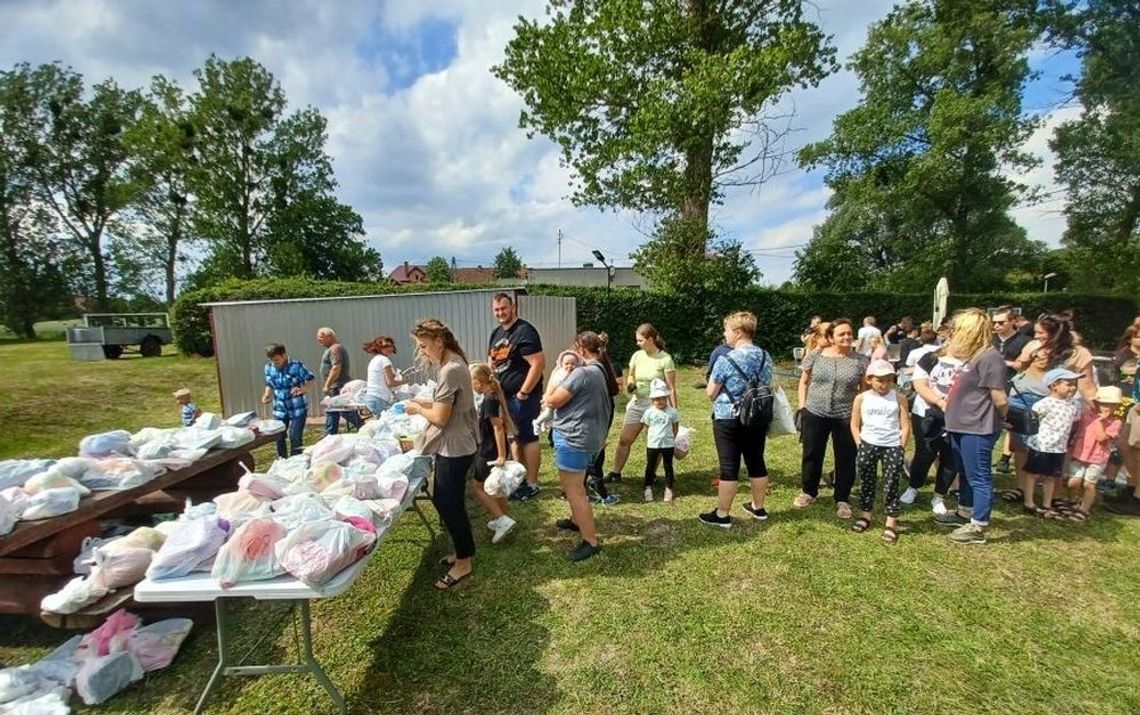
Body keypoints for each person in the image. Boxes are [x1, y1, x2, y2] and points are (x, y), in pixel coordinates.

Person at [405, 319, 479, 590]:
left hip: (456, 447)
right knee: (447, 501)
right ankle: (462, 551)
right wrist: (426, 402)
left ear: (439, 341)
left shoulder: (451, 369)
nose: (423, 351)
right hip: (457, 443)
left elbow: (440, 416)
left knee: (449, 503)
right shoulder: (453, 362)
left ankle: (464, 561)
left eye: (424, 346)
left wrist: (418, 409)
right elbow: (447, 403)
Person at [1001, 314, 1097, 503]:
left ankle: (1054, 494)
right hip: (1023, 397)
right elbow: (1020, 366)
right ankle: (1021, 487)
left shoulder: (1079, 353)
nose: (1036, 337)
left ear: (1057, 334)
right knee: (1020, 446)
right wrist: (1026, 360)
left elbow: (1087, 385)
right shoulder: (1033, 346)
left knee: (1056, 447)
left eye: (1041, 333)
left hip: (1055, 403)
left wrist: (1099, 409)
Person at [936, 308, 1008, 545]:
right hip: (961, 425)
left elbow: (1000, 398)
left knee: (979, 476)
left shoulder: (990, 358)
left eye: (958, 330)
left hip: (977, 428)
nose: (953, 333)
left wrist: (998, 419)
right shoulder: (975, 357)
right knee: (965, 471)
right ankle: (964, 511)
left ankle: (978, 526)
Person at [699, 311, 774, 528]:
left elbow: (711, 393)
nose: (724, 335)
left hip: (728, 417)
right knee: (756, 460)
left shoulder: (725, 359)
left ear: (738, 332)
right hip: (757, 415)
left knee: (729, 466)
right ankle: (758, 508)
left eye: (726, 330)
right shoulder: (765, 356)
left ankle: (722, 515)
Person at [544, 331, 613, 561]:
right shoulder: (600, 370)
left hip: (574, 438)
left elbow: (552, 400)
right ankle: (576, 521)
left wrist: (553, 379)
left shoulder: (582, 373)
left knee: (575, 491)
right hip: (588, 438)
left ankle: (590, 541)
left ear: (581, 349)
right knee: (572, 486)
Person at [795, 319, 869, 519]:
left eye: (849, 333)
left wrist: (861, 412)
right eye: (841, 334)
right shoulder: (815, 356)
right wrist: (803, 407)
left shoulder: (860, 360)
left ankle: (842, 497)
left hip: (846, 415)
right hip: (815, 412)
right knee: (811, 453)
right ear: (830, 337)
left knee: (846, 457)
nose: (846, 337)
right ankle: (809, 491)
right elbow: (803, 382)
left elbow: (864, 389)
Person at [488, 293, 546, 501]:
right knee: (513, 437)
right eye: (496, 309)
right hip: (504, 396)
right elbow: (492, 362)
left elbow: (538, 363)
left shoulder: (525, 331)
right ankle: (518, 477)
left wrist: (524, 393)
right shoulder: (496, 333)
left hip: (523, 396)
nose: (500, 313)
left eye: (504, 308)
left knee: (528, 438)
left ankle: (532, 483)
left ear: (513, 307)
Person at [605, 324, 677, 483]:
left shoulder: (665, 359)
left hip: (656, 405)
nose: (637, 343)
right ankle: (616, 473)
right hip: (637, 403)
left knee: (656, 442)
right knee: (625, 439)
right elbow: (630, 375)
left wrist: (673, 412)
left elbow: (671, 388)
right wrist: (631, 383)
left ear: (650, 340)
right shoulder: (637, 356)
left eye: (640, 340)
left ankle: (651, 474)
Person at [901, 335, 964, 514]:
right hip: (928, 414)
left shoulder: (970, 362)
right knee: (925, 453)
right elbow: (920, 385)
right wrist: (940, 402)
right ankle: (913, 487)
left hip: (958, 417)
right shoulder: (930, 358)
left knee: (951, 456)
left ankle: (939, 496)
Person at [850, 359, 910, 544]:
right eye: (879, 380)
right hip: (868, 444)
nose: (884, 384)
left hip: (892, 445)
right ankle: (865, 515)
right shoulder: (861, 398)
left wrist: (901, 446)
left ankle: (891, 522)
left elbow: (905, 425)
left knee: (891, 482)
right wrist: (859, 443)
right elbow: (854, 423)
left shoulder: (899, 397)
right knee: (867, 481)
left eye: (888, 380)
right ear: (869, 379)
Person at [1019, 368, 1083, 518]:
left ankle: (1047, 504)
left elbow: (1075, 421)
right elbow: (1033, 421)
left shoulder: (1074, 404)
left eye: (1075, 384)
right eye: (1069, 384)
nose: (1073, 387)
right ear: (1054, 385)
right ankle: (1029, 502)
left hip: (1059, 447)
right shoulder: (1044, 404)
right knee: (1032, 474)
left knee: (1051, 476)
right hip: (1041, 445)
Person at [469, 363, 518, 544]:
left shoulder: (489, 400)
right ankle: (503, 516)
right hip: (493, 448)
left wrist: (501, 455)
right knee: (497, 486)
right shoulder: (492, 396)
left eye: (471, 383)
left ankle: (501, 519)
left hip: (489, 450)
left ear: (478, 382)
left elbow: (498, 428)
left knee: (478, 486)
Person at [1067, 386, 1124, 522]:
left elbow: (1101, 438)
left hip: (1097, 457)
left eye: (1112, 405)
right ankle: (1073, 500)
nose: (1107, 408)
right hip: (1079, 453)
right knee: (1073, 482)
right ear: (1097, 404)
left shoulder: (1115, 422)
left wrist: (1099, 421)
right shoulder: (1086, 415)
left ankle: (1084, 509)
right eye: (1104, 404)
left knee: (1089, 484)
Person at [991, 307, 1030, 475]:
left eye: (1001, 322)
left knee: (1010, 425)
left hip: (1012, 386)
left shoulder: (1024, 341)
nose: (997, 326)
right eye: (994, 323)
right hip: (988, 386)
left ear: (1013, 321)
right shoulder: (989, 339)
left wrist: (1003, 362)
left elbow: (1023, 366)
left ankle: (1006, 457)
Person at [261, 343, 316, 458]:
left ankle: (296, 461)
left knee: (294, 437)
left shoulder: (296, 366)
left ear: (284, 355)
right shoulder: (268, 368)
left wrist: (302, 389)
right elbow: (269, 384)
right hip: (279, 409)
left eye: (277, 360)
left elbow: (311, 381)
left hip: (297, 408)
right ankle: (283, 460)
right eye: (272, 360)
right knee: (279, 436)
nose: (275, 363)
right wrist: (267, 394)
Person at [585, 333, 622, 500]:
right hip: (604, 410)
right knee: (597, 447)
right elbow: (615, 390)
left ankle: (592, 483)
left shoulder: (591, 369)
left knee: (592, 448)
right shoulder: (606, 365)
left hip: (594, 412)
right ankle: (595, 484)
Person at [641, 378, 680, 502]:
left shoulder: (672, 412)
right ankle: (648, 487)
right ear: (652, 400)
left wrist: (670, 438)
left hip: (667, 444)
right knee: (650, 466)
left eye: (663, 398)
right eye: (657, 399)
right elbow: (646, 426)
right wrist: (653, 436)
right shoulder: (649, 413)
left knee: (668, 466)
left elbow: (675, 427)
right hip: (653, 444)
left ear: (667, 398)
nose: (660, 401)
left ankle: (668, 488)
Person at [317, 327, 360, 435]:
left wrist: (327, 385)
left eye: (321, 337)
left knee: (345, 412)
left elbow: (336, 367)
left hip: (337, 387)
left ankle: (364, 427)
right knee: (332, 412)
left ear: (329, 336)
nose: (319, 340)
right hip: (334, 387)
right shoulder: (331, 349)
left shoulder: (335, 348)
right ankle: (330, 437)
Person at [534, 350, 583, 435]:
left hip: (565, 403)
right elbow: (554, 386)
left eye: (573, 364)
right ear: (562, 364)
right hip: (555, 398)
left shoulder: (577, 374)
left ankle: (544, 424)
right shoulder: (560, 374)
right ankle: (537, 422)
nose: (570, 366)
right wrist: (548, 397)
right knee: (548, 413)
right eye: (567, 364)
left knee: (551, 415)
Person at [361, 335, 404, 417]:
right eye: (385, 346)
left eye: (391, 346)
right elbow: (390, 383)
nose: (389, 348)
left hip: (372, 396)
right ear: (378, 348)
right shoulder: (385, 360)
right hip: (379, 398)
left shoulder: (375, 360)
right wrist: (404, 381)